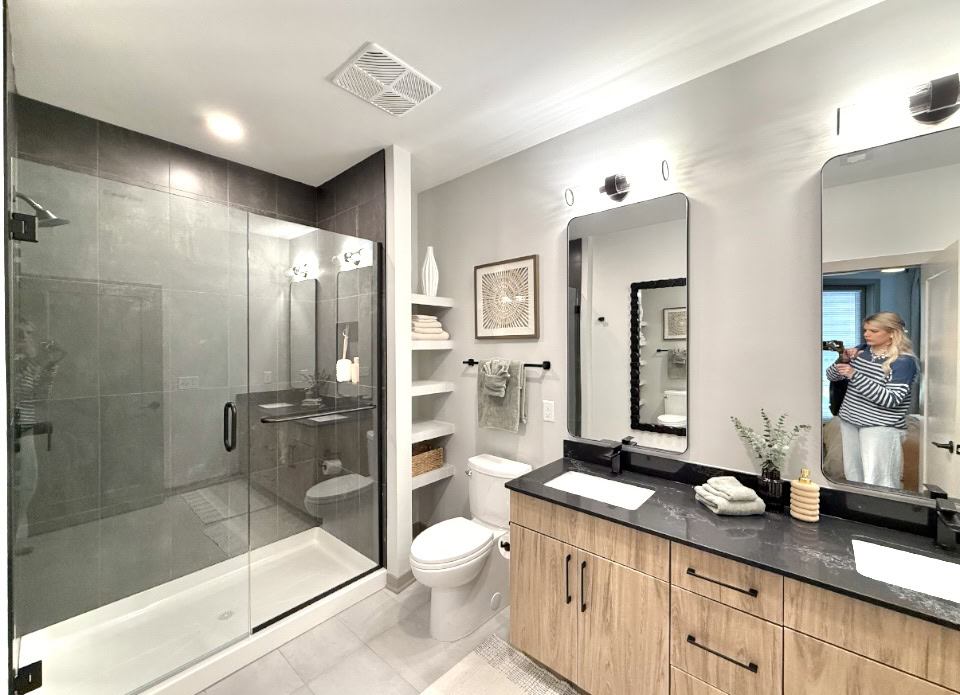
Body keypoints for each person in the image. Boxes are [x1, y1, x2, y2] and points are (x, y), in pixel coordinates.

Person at [826, 312, 918, 489]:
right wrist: (844, 359)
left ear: (892, 333)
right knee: (853, 476)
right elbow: (831, 375)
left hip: (880, 426)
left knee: (879, 480)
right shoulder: (863, 350)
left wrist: (855, 375)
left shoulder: (904, 362)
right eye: (866, 330)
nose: (866, 334)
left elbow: (892, 399)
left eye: (874, 331)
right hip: (850, 421)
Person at [13, 318, 64, 555]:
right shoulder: (13, 362)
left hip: (24, 428)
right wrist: (34, 362)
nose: (25, 337)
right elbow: (13, 388)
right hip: (10, 428)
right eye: (19, 333)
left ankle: (16, 543)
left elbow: (40, 397)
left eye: (29, 333)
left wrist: (50, 366)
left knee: (27, 484)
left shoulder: (29, 363)